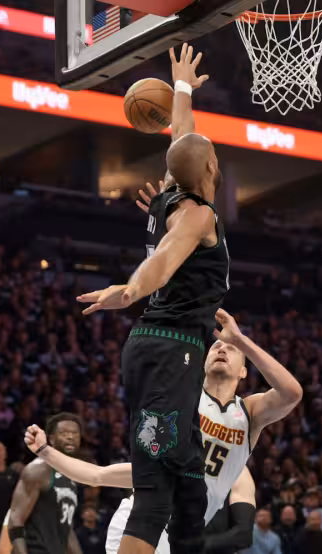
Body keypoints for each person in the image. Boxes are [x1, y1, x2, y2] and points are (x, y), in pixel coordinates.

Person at [76, 43, 226, 554]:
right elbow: (163, 259)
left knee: (190, 491)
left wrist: (181, 86)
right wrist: (131, 289)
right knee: (156, 493)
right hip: (169, 352)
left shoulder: (175, 191)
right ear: (209, 166)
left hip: (164, 350)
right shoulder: (196, 216)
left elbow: (181, 139)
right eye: (212, 151)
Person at [25, 309, 302, 554]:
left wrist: (239, 339)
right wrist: (44, 450)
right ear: (203, 363)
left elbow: (291, 392)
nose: (221, 348)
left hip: (183, 532)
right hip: (143, 518)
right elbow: (99, 475)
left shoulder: (249, 412)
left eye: (230, 349)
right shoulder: (181, 401)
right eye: (216, 345)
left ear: (244, 371)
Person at [0, 413, 84, 554]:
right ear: (51, 439)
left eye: (75, 433)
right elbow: (15, 520)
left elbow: (66, 528)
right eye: (64, 433)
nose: (70, 437)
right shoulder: (38, 470)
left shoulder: (71, 477)